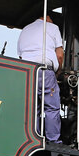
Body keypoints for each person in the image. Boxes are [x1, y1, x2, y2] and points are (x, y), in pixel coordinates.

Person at [18, 14, 64, 143]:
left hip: (26, 72)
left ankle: (33, 138)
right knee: (51, 107)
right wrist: (58, 72)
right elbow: (60, 55)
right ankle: (53, 139)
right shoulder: (52, 27)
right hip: (45, 70)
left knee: (32, 108)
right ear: (47, 18)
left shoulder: (25, 29)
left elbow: (21, 56)